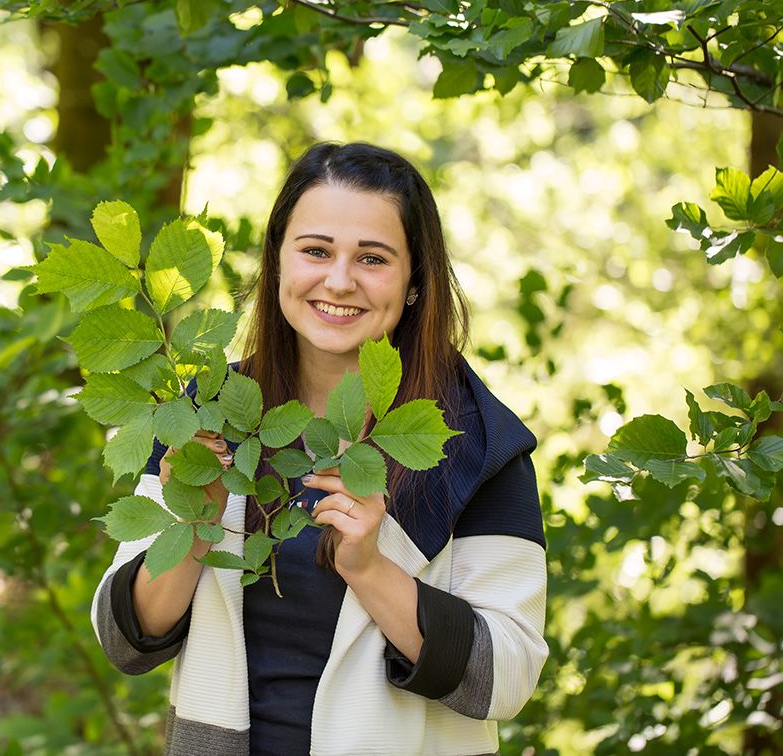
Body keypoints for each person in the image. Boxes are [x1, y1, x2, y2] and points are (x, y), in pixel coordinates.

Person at [90, 142, 547, 755]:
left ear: (415, 281)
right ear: (279, 261)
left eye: (373, 258)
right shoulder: (206, 413)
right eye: (315, 251)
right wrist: (194, 526)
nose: (339, 280)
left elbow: (506, 678)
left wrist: (371, 569)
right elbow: (124, 642)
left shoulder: (474, 445)